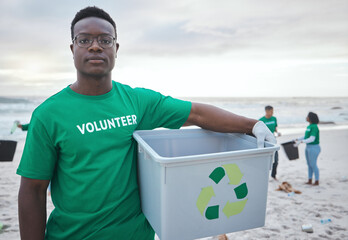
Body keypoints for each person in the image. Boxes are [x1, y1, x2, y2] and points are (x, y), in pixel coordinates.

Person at [17, 6, 276, 240]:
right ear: (73, 49)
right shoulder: (48, 114)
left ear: (116, 49)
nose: (95, 46)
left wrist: (252, 125)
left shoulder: (137, 101)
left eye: (105, 40)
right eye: (84, 40)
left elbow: (197, 113)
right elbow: (33, 190)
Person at [294, 112, 320, 186]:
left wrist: (301, 142)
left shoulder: (314, 127)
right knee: (309, 164)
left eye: (307, 116)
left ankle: (317, 180)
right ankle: (309, 179)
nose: (306, 117)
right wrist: (297, 139)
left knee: (313, 164)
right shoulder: (309, 126)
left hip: (314, 147)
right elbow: (306, 137)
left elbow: (312, 138)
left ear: (310, 118)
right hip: (308, 147)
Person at [259, 105, 280, 180]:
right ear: (266, 111)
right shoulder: (261, 120)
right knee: (265, 160)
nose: (272, 113)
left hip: (273, 142)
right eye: (271, 111)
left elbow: (275, 128)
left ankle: (273, 175)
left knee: (276, 160)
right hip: (265, 143)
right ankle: (263, 176)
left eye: (273, 111)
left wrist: (278, 133)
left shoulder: (274, 119)